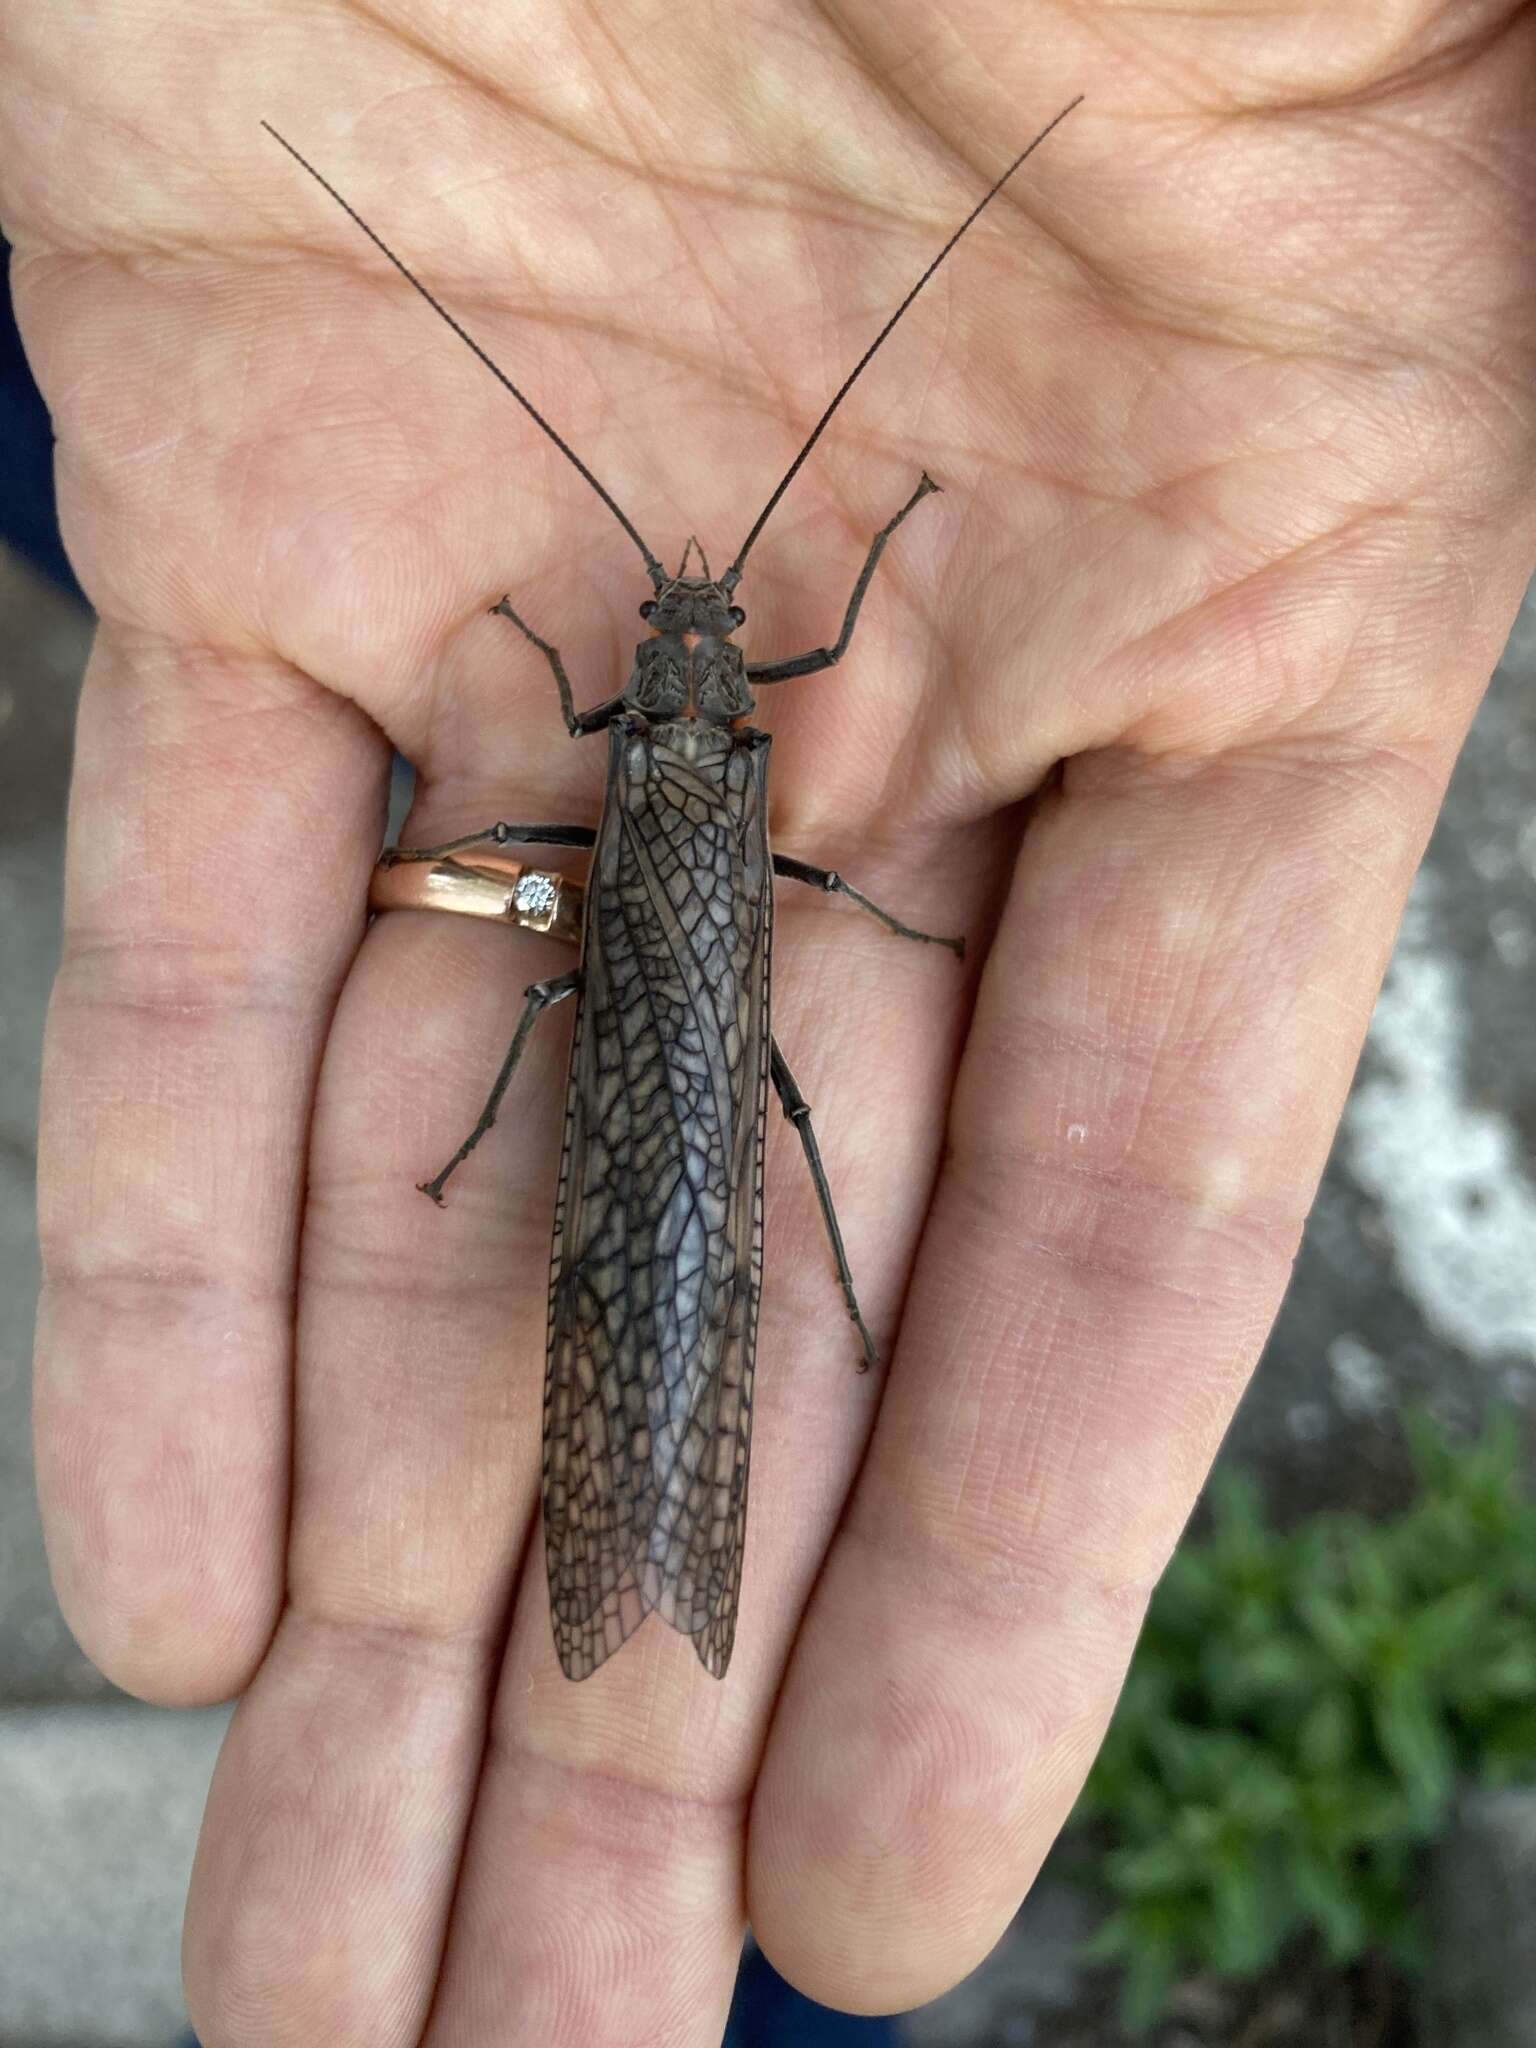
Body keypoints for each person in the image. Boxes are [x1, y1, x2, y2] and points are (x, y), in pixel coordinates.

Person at [7, 4, 1533, 2042]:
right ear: (696, 670)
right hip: (690, 1050)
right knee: (739, 1143)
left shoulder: (641, 754)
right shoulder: (702, 757)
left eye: (687, 636)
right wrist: (873, 870)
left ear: (686, 674)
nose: (696, 635)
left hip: (656, 1029)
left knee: (674, 1138)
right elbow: (751, 811)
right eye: (680, 633)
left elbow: (617, 776)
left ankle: (650, 1545)